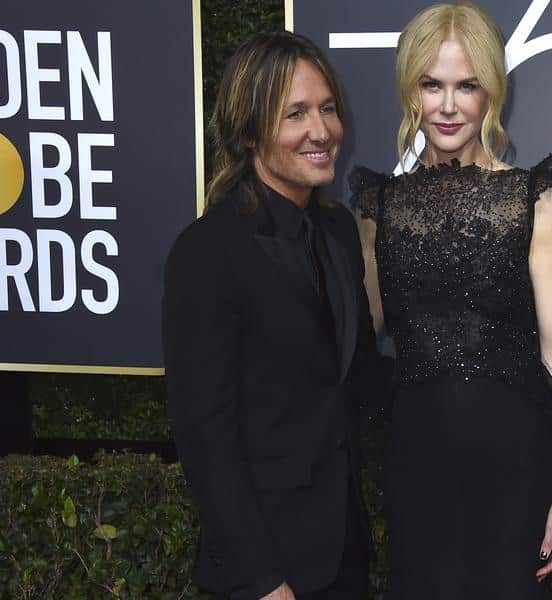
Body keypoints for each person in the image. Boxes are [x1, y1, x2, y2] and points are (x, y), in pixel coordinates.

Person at [349, 3, 552, 598]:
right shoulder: (380, 208)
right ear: (410, 89)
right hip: (416, 458)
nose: (447, 105)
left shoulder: (533, 201)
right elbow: (360, 336)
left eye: (467, 86)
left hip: (512, 459)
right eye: (431, 85)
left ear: (491, 92)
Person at [163, 31, 382, 600]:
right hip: (265, 574)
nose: (321, 131)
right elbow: (205, 436)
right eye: (295, 114)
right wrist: (261, 580)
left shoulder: (336, 232)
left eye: (328, 108)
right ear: (250, 132)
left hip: (343, 558)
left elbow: (356, 379)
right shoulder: (208, 252)